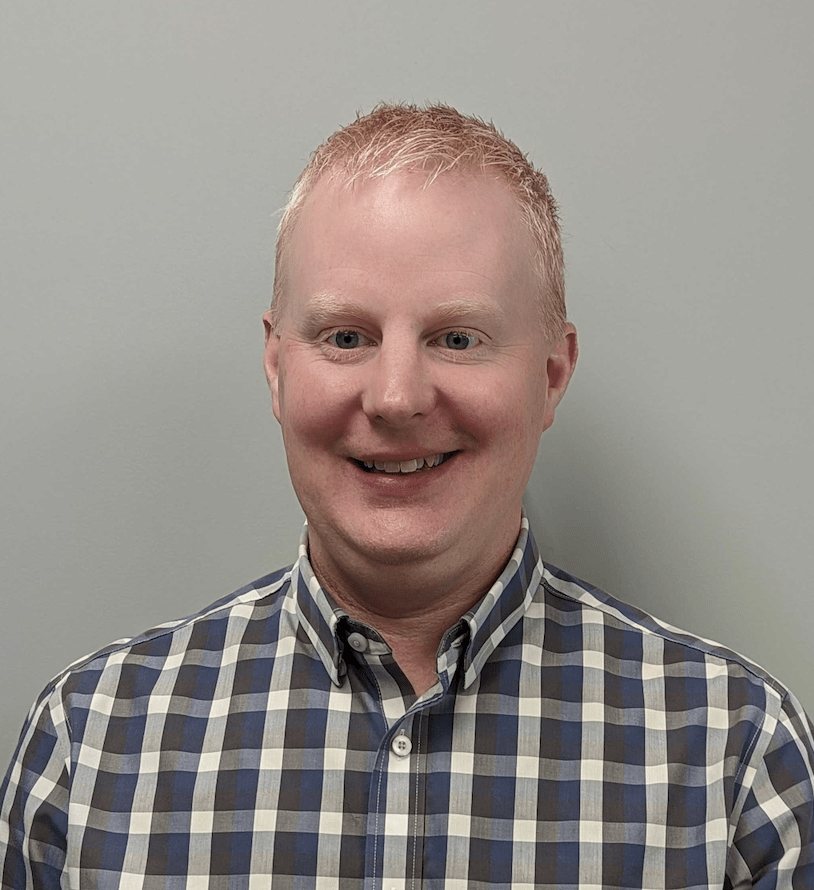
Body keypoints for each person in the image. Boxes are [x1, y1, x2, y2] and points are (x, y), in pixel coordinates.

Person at [1, 103, 812, 889]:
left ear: (551, 375)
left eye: (457, 338)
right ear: (278, 367)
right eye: (345, 337)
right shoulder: (89, 746)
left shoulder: (732, 759)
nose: (396, 397)